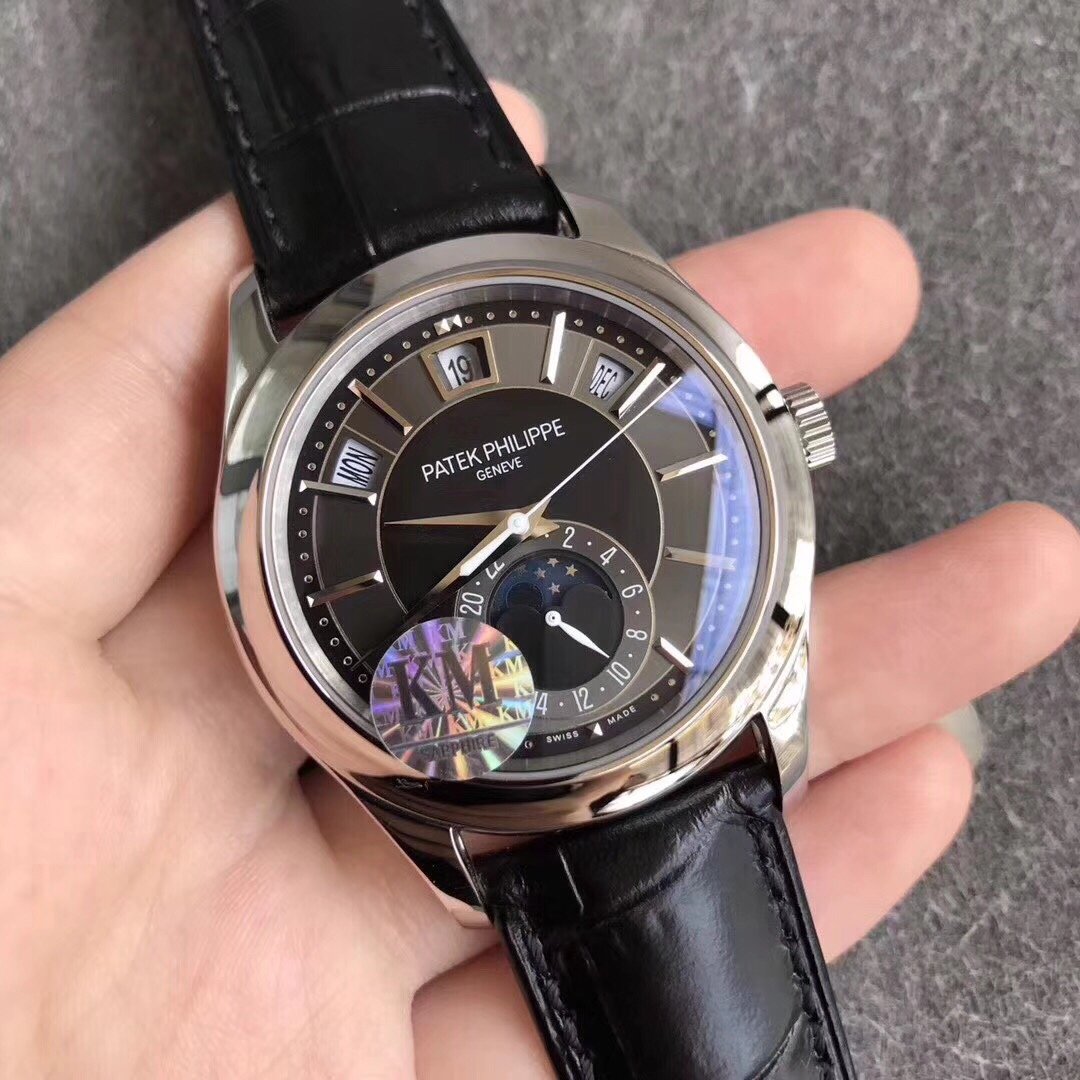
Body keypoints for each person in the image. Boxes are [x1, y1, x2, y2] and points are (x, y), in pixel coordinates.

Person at [1, 84, 1077, 1079]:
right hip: (501, 795)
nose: (519, 524)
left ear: (782, 429)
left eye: (524, 518)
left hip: (706, 720)